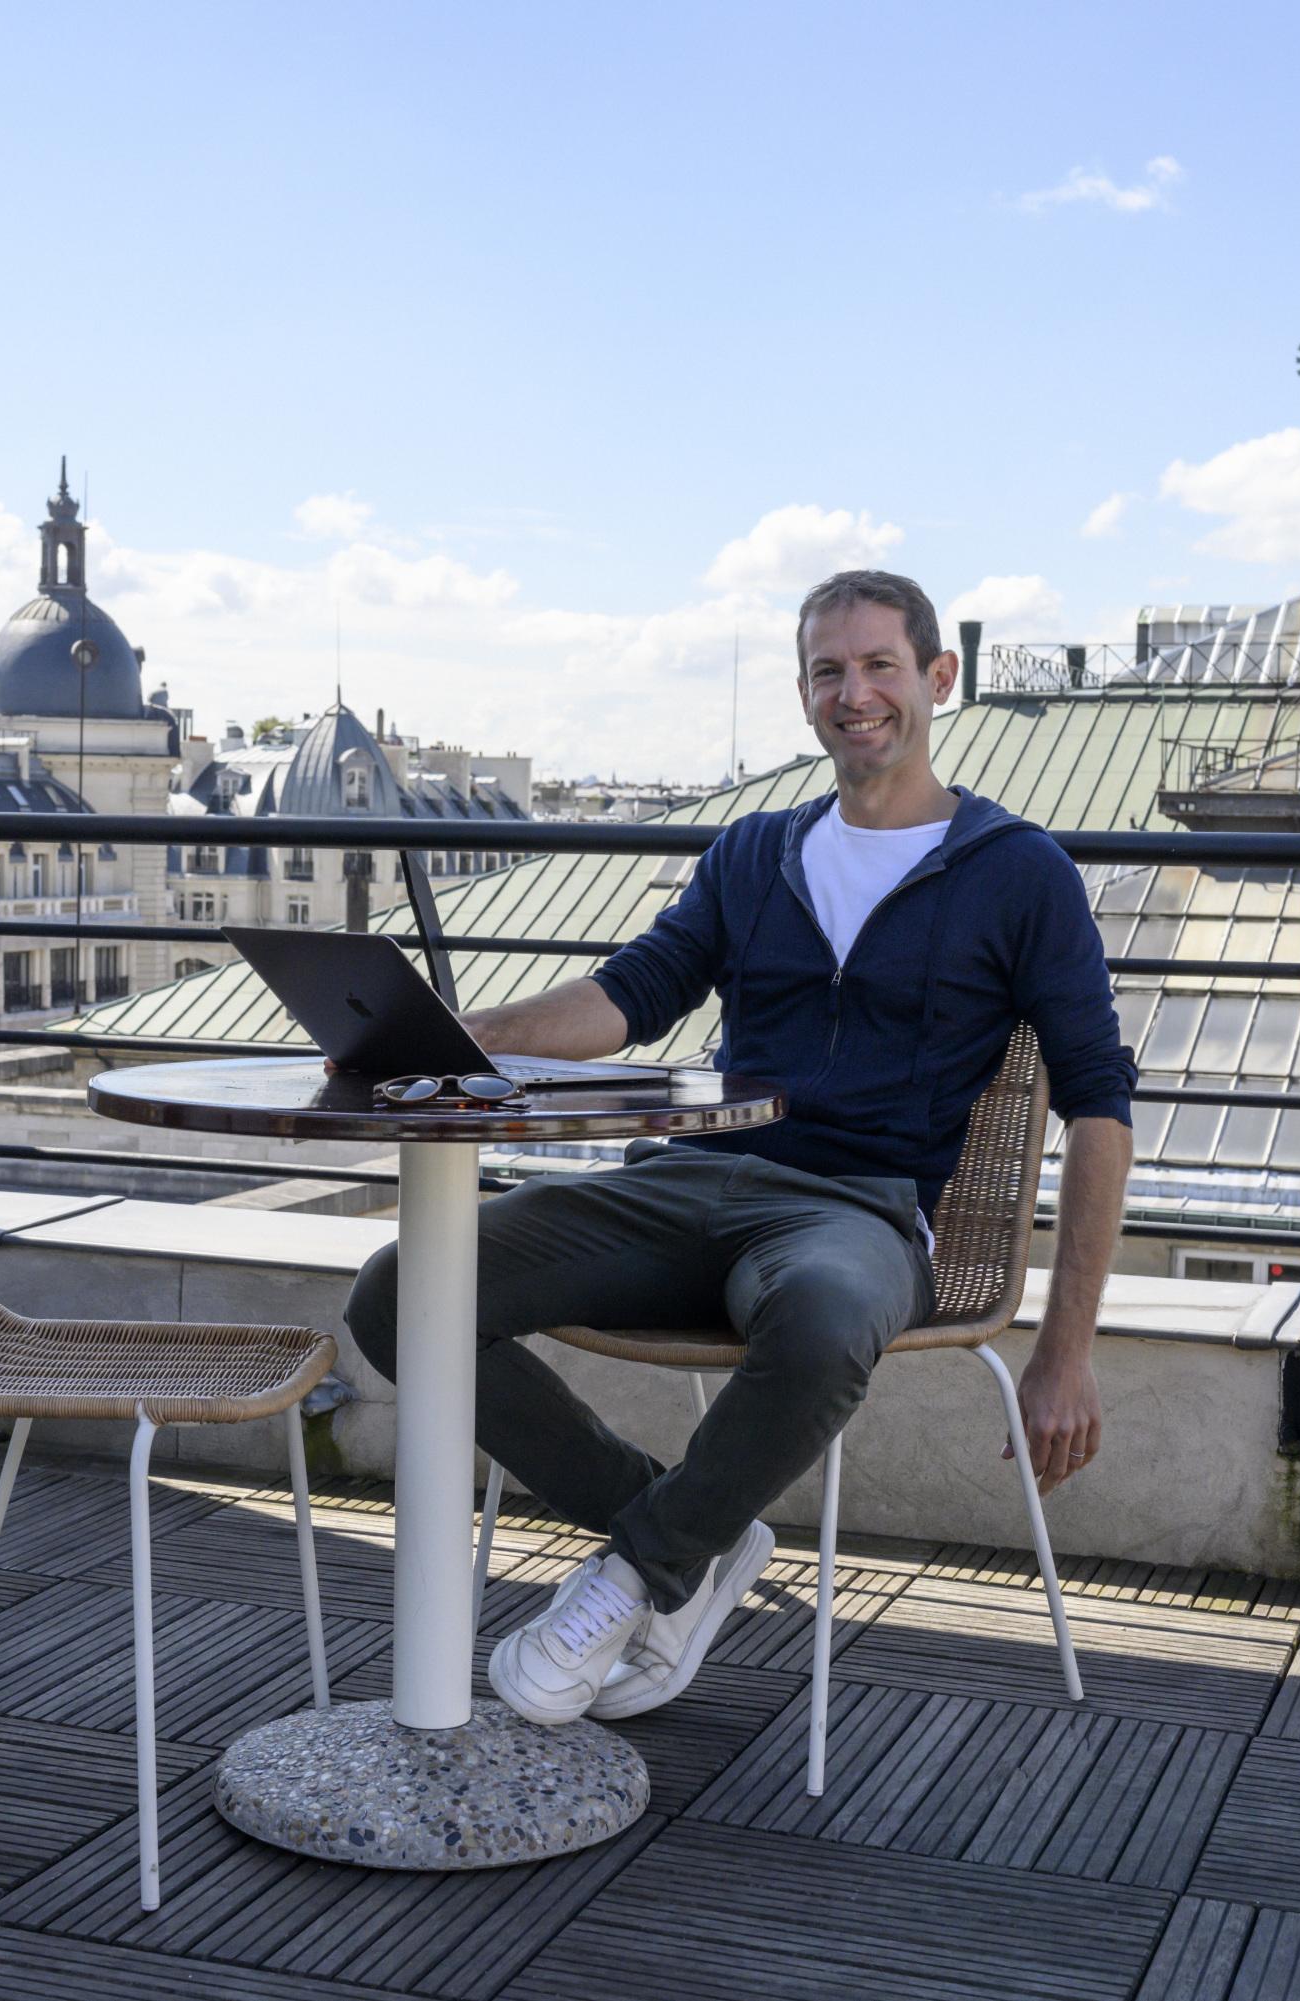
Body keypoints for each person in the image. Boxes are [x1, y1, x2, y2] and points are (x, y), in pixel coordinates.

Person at [342, 569, 1136, 1727]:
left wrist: (1067, 1353)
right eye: (828, 671)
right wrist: (453, 1037)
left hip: (856, 1212)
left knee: (823, 1320)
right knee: (400, 1290)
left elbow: (1100, 1106)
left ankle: (631, 1579)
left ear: (938, 678)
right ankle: (687, 1534)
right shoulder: (756, 851)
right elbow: (632, 993)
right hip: (687, 1183)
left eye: (879, 666)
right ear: (804, 692)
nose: (854, 694)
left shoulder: (1020, 873)